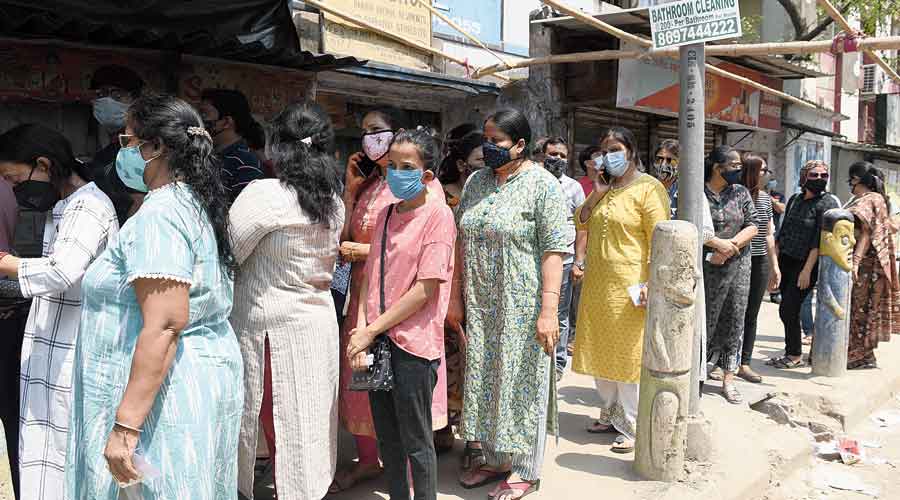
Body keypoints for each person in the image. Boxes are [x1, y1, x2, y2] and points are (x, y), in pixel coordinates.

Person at [66, 95, 243, 498]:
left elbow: (165, 323)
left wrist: (126, 427)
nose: (121, 151)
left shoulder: (161, 214)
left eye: (126, 140)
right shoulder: (193, 203)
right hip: (194, 378)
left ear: (156, 147)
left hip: (165, 394)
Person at [451, 109, 570, 499]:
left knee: (524, 381)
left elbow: (554, 251)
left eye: (497, 140)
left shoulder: (543, 186)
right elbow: (460, 238)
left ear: (519, 145)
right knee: (488, 380)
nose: (488, 147)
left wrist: (549, 310)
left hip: (524, 305)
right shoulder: (475, 183)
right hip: (483, 305)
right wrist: (456, 297)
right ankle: (496, 457)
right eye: (485, 139)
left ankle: (526, 469)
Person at [228, 102, 344, 499]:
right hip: (315, 325)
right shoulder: (333, 200)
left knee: (276, 420)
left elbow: (229, 252)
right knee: (306, 424)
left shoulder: (264, 194)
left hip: (270, 331)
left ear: (278, 148)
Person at [0, 124, 119, 500]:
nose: (13, 188)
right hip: (55, 349)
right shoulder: (64, 206)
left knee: (64, 459)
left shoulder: (88, 206)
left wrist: (3, 262)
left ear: (43, 165)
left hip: (74, 354)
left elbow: (60, 271)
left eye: (13, 178)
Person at [331, 107, 447, 493]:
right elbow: (371, 278)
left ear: (426, 175)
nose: (396, 173)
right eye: (392, 164)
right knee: (389, 440)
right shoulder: (384, 214)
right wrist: (362, 329)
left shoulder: (438, 216)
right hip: (376, 340)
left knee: (416, 442)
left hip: (412, 345)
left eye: (406, 166)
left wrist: (371, 331)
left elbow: (425, 289)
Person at [570, 127, 668, 452]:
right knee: (600, 349)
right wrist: (597, 192)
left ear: (630, 150)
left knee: (627, 354)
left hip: (631, 284)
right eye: (604, 149)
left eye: (615, 148)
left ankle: (631, 425)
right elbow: (581, 221)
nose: (608, 155)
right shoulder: (604, 188)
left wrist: (651, 283)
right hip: (599, 283)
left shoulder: (649, 188)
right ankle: (610, 414)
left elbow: (660, 237)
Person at [435, 126, 484, 456]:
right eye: (479, 158)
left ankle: (476, 438)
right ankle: (441, 427)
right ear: (462, 162)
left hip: (481, 288)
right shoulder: (442, 193)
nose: (486, 164)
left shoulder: (495, 194)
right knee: (447, 361)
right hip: (445, 288)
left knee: (477, 362)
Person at [769, 160, 839, 369]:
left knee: (788, 309)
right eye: (814, 175)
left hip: (806, 264)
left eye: (824, 175)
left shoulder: (826, 203)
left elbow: (818, 240)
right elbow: (783, 232)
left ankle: (794, 354)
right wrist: (776, 268)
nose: (820, 179)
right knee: (786, 308)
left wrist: (807, 270)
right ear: (804, 177)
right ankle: (792, 351)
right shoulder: (794, 199)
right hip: (786, 261)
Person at [703, 146, 758, 404]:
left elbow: (753, 225)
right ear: (717, 167)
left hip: (738, 265)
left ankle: (728, 379)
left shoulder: (740, 192)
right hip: (706, 265)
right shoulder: (697, 192)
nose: (739, 169)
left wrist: (730, 247)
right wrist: (716, 246)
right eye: (734, 164)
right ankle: (699, 375)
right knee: (705, 321)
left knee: (735, 319)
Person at [845, 162, 900, 369]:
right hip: (867, 266)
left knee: (860, 310)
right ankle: (864, 355)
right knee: (860, 309)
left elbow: (867, 233)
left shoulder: (871, 199)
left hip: (867, 266)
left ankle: (858, 355)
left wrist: (856, 262)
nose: (849, 183)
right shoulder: (864, 199)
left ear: (857, 179)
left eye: (851, 179)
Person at [541, 137, 585, 377]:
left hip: (565, 261)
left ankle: (557, 364)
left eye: (561, 155)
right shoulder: (533, 181)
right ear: (542, 155)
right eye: (552, 154)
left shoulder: (573, 187)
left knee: (560, 313)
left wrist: (579, 261)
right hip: (536, 259)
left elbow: (583, 227)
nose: (557, 159)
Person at [736, 154, 781, 383]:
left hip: (759, 260)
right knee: (731, 312)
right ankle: (722, 362)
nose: (766, 175)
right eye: (763, 170)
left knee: (751, 314)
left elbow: (769, 234)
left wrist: (774, 266)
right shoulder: (734, 194)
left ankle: (744, 362)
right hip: (734, 259)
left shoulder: (765, 199)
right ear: (752, 171)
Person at [86, 65, 147, 225]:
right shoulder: (105, 155)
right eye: (100, 95)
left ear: (136, 101)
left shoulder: (143, 151)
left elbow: (140, 203)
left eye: (117, 95)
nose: (107, 101)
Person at [198, 88, 265, 204]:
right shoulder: (205, 156)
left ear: (226, 122)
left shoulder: (245, 163)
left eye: (204, 114)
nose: (199, 120)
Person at [439, 125, 483, 211]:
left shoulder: (492, 195)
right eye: (481, 159)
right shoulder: (439, 196)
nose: (487, 164)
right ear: (461, 165)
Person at [649, 139, 680, 217]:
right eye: (660, 159)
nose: (663, 164)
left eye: (669, 160)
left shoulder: (687, 193)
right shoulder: (645, 188)